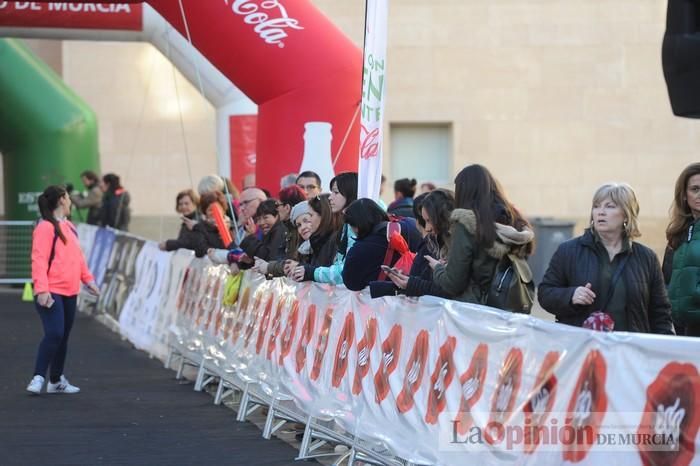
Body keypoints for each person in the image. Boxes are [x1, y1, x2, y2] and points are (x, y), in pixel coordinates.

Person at [539, 182, 674, 334]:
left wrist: (663, 350)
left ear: (626, 214)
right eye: (596, 206)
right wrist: (571, 295)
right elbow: (545, 293)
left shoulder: (646, 257)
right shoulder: (568, 250)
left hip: (630, 350)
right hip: (583, 348)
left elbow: (660, 313)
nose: (600, 212)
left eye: (609, 206)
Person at [27, 185, 100, 395]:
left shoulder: (69, 226)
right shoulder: (45, 227)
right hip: (51, 291)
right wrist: (42, 289)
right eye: (68, 198)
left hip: (70, 291)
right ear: (61, 200)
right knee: (55, 333)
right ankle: (38, 377)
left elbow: (78, 258)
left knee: (63, 336)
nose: (71, 202)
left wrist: (89, 280)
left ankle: (56, 380)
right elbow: (38, 259)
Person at [427, 164, 534, 304]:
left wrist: (438, 269)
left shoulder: (465, 223)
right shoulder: (515, 221)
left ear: (464, 192)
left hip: (476, 312)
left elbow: (453, 284)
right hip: (510, 309)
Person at [380, 190, 454, 298]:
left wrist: (411, 283)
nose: (427, 228)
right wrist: (407, 281)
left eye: (429, 221)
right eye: (425, 221)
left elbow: (449, 290)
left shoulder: (451, 245)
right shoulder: (438, 244)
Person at [342, 198, 422, 291]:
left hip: (386, 301)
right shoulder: (410, 224)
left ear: (356, 225)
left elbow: (351, 283)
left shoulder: (360, 249)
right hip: (425, 293)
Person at [664, 162, 700, 336]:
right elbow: (666, 279)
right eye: (695, 189)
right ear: (684, 195)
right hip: (681, 329)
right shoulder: (677, 233)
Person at [311, 172, 358, 284]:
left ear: (351, 193)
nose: (330, 197)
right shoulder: (347, 224)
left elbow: (346, 271)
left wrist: (311, 272)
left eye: (336, 192)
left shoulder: (355, 226)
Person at [253, 185, 306, 276]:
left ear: (287, 207)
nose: (276, 209)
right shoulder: (289, 228)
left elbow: (292, 264)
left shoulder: (298, 230)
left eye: (278, 205)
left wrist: (268, 267)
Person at [290, 195, 339, 281]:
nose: (303, 227)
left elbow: (334, 274)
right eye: (298, 225)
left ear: (323, 215)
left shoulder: (334, 239)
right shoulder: (316, 241)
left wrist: (305, 271)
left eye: (310, 216)